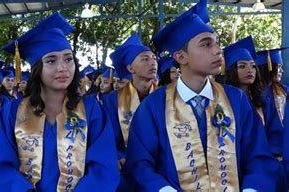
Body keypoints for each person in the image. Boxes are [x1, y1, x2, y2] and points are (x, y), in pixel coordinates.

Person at [124, 0, 279, 191]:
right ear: (181, 57)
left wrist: (251, 189)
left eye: (216, 43)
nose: (217, 50)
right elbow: (140, 165)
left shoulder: (236, 100)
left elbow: (259, 157)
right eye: (206, 44)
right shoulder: (153, 106)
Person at [0, 12, 119, 191]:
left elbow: (103, 168)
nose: (62, 67)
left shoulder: (91, 110)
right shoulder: (12, 112)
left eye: (68, 59)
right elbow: (1, 167)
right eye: (51, 61)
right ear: (37, 69)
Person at [102, 33, 158, 191]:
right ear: (130, 68)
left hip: (160, 168)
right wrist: (119, 156)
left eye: (154, 58)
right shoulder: (112, 100)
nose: (153, 62)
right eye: (145, 59)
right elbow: (109, 137)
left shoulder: (166, 97)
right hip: (128, 168)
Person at [256, 48, 289, 125]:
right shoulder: (252, 92)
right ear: (269, 67)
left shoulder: (283, 90)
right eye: (279, 67)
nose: (282, 70)